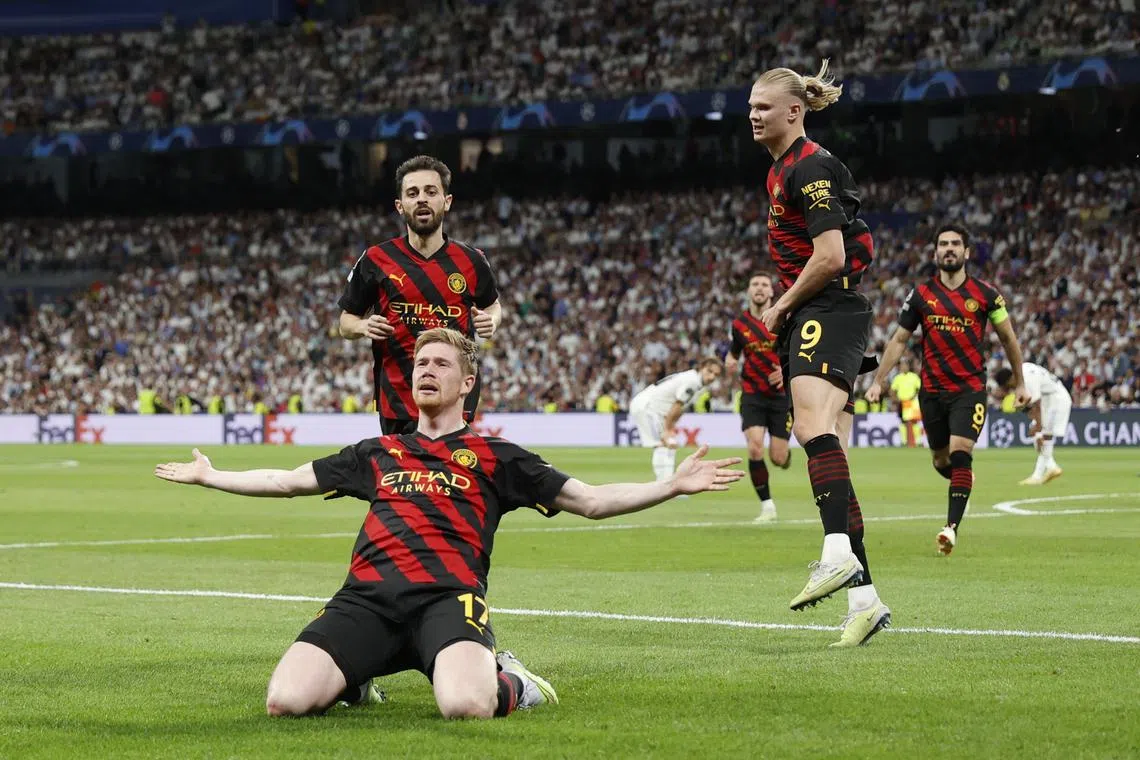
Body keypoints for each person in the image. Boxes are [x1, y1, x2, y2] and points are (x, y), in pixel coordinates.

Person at [154, 328, 743, 719]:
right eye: (419, 364)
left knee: (466, 707)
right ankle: (355, 678)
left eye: (440, 364)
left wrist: (671, 485)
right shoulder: (378, 452)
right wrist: (211, 476)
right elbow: (286, 480)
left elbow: (590, 500)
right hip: (367, 600)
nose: (425, 371)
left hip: (448, 602)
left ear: (467, 384)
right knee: (284, 702)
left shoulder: (497, 457)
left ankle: (512, 681)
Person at [749, 59, 890, 646]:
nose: (753, 116)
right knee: (826, 444)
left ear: (794, 111)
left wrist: (782, 305)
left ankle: (835, 551)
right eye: (750, 107)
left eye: (763, 107)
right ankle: (865, 600)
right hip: (821, 312)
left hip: (825, 309)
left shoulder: (810, 166)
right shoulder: (780, 171)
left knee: (809, 427)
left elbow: (831, 255)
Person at [865, 223, 1030, 556]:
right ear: (935, 252)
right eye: (944, 244)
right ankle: (962, 483)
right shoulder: (921, 295)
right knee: (942, 460)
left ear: (967, 252)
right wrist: (879, 380)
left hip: (969, 389)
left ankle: (950, 528)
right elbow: (899, 339)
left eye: (956, 244)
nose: (950, 249)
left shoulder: (987, 295)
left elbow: (1008, 338)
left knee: (960, 452)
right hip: (932, 391)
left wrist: (1021, 381)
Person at [338, 155, 503, 436]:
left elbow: (493, 306)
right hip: (398, 403)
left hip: (454, 402)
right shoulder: (376, 259)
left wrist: (492, 320)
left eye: (431, 191)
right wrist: (364, 326)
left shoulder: (472, 260)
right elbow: (345, 322)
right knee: (402, 481)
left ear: (446, 201)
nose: (422, 199)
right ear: (400, 206)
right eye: (413, 193)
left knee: (451, 480)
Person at [725, 273, 791, 523]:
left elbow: (797, 349)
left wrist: (785, 370)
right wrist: (730, 361)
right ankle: (767, 506)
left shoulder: (782, 318)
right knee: (754, 448)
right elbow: (733, 354)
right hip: (752, 393)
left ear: (772, 293)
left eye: (764, 285)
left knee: (778, 457)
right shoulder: (739, 324)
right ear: (749, 291)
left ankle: (784, 456)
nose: (760, 288)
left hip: (780, 396)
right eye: (755, 284)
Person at [628, 358, 724, 482]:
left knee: (668, 445)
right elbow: (677, 406)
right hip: (647, 407)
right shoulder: (692, 382)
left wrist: (671, 427)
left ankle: (666, 484)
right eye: (709, 371)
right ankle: (664, 486)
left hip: (654, 409)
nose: (711, 377)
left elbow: (679, 408)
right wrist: (668, 430)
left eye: (715, 375)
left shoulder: (695, 381)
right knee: (663, 444)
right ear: (701, 367)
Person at [995, 363, 1070, 485]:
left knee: (1042, 435)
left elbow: (1037, 404)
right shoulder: (1023, 368)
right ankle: (1039, 475)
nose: (1011, 388)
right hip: (1050, 399)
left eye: (1009, 386)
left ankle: (1051, 467)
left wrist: (1038, 426)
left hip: (1056, 399)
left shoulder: (1027, 379)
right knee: (1041, 435)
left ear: (1011, 379)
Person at [890, 356, 923, 447]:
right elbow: (892, 390)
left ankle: (918, 441)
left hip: (912, 402)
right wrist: (895, 399)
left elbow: (919, 388)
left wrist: (915, 396)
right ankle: (904, 441)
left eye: (905, 365)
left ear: (908, 367)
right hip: (902, 402)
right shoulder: (898, 378)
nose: (904, 367)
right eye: (902, 366)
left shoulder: (914, 377)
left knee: (915, 422)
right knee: (903, 422)